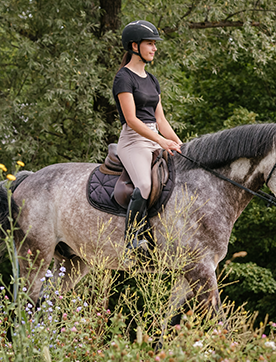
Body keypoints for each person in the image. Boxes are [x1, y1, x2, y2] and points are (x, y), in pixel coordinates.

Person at [113, 20, 182, 254]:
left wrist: (180, 144)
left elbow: (161, 121)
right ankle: (132, 237)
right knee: (144, 184)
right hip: (133, 140)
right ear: (134, 46)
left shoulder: (152, 80)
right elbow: (131, 119)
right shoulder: (124, 78)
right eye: (150, 44)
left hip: (154, 138)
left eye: (155, 44)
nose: (154, 48)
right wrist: (161, 141)